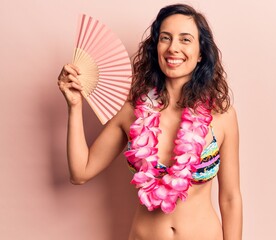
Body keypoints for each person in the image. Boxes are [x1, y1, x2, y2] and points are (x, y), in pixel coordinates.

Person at [57, 3, 242, 240]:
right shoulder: (131, 112)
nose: (173, 48)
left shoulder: (222, 116)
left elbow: (230, 198)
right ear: (156, 48)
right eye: (165, 38)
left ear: (201, 54)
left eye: (185, 40)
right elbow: (80, 172)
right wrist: (74, 106)